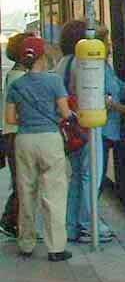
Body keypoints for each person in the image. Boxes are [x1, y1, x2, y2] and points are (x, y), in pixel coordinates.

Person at [4, 36, 73, 261]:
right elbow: (65, 114)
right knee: (54, 193)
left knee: (26, 191)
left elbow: (10, 118)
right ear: (43, 56)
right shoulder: (54, 82)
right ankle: (56, 248)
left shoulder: (16, 84)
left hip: (24, 140)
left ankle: (26, 243)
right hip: (50, 139)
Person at [56, 20, 113, 244]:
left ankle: (71, 226)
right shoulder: (82, 61)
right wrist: (107, 100)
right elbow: (90, 92)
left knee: (77, 176)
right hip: (86, 125)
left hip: (70, 129)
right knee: (91, 174)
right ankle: (89, 224)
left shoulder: (63, 61)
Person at [0, 32, 34, 238]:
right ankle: (11, 220)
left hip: (11, 134)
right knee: (23, 182)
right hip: (16, 134)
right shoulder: (20, 78)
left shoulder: (13, 74)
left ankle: (11, 219)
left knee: (21, 181)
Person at [97, 26, 125, 195]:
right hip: (99, 131)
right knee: (96, 176)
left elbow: (118, 87)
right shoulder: (94, 67)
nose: (110, 46)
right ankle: (87, 220)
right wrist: (123, 109)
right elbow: (101, 99)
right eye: (106, 43)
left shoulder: (105, 66)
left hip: (107, 130)